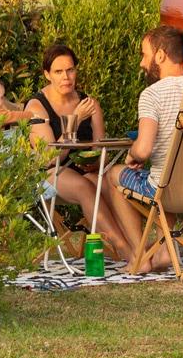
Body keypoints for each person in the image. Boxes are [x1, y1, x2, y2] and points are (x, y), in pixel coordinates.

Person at [107, 26, 183, 267]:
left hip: (168, 191)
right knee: (165, 173)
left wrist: (132, 155)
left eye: (144, 54)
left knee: (113, 175)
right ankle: (163, 253)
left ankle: (141, 256)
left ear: (160, 55)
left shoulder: (152, 95)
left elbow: (144, 150)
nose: (142, 62)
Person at [24, 42, 134, 259]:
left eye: (70, 69)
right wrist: (74, 120)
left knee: (111, 185)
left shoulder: (89, 104)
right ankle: (125, 250)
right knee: (86, 187)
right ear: (47, 75)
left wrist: (95, 161)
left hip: (83, 169)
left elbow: (99, 148)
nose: (66, 77)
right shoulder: (36, 106)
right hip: (48, 173)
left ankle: (136, 246)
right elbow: (48, 159)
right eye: (58, 71)